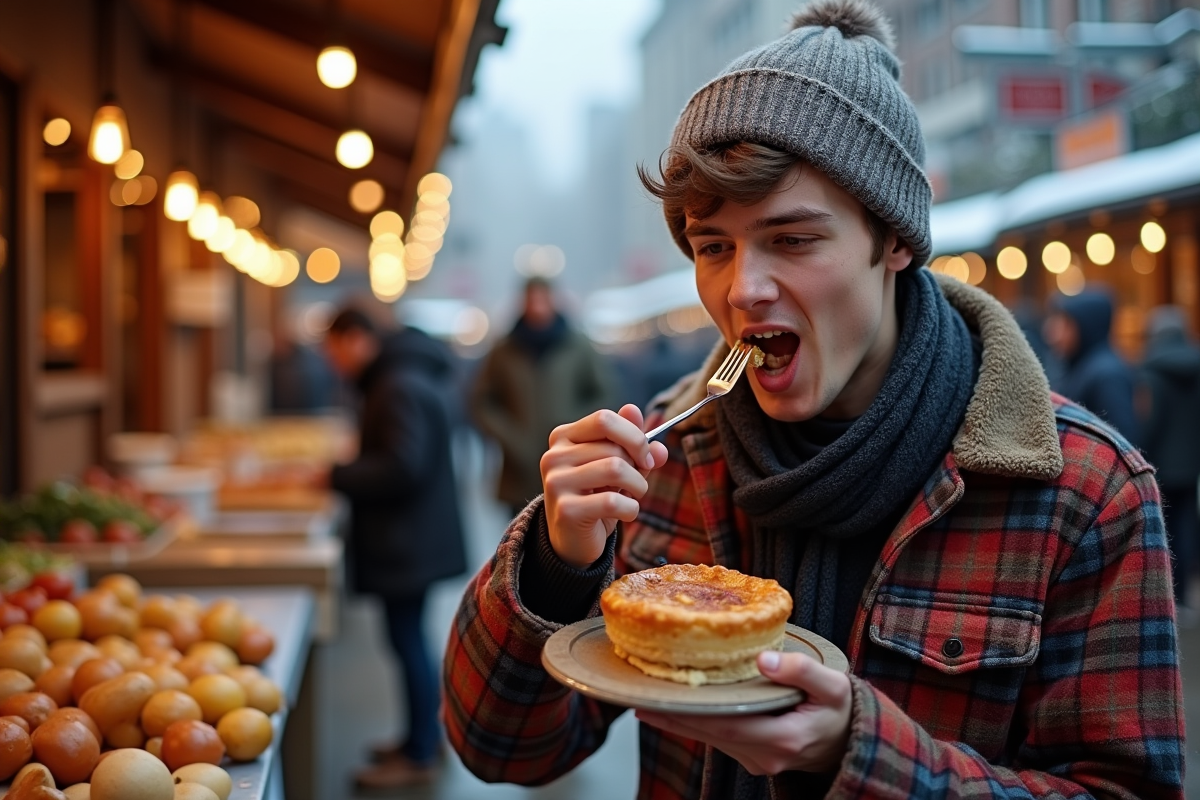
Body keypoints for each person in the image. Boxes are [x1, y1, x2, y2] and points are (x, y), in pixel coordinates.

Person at [443, 3, 1184, 799]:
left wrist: (858, 757)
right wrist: (557, 564)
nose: (743, 289)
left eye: (793, 240)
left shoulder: (1083, 491)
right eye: (713, 247)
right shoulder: (664, 459)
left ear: (894, 240)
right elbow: (501, 748)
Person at [320, 307, 467, 790]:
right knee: (410, 641)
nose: (334, 361)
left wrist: (336, 475)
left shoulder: (396, 384)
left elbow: (403, 466)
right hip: (414, 537)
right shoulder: (404, 375)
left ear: (358, 339)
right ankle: (421, 737)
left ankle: (420, 751)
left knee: (407, 644)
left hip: (407, 540)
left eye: (335, 348)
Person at [470, 277, 614, 515]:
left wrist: (577, 427)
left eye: (542, 298)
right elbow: (482, 401)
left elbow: (604, 392)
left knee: (567, 536)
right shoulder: (504, 349)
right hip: (519, 469)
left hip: (569, 462)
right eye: (531, 299)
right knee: (519, 541)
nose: (537, 306)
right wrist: (509, 435)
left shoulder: (577, 345)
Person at [1139, 305, 1200, 610]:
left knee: (1165, 529)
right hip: (1191, 463)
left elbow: (1152, 420)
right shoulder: (1196, 363)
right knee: (1187, 524)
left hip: (1162, 461)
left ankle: (1170, 596)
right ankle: (1188, 596)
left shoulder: (1151, 370)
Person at [1044, 287, 1139, 441]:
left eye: (1066, 324)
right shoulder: (1079, 365)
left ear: (1086, 326)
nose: (1054, 334)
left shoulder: (1107, 374)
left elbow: (1123, 441)